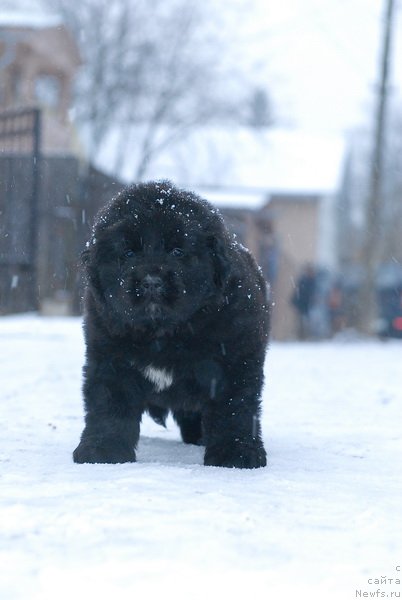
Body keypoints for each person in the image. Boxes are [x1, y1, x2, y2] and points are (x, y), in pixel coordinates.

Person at [291, 264, 317, 340]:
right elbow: (301, 292)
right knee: (301, 320)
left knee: (304, 320)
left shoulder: (311, 280)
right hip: (303, 304)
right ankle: (301, 335)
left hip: (306, 304)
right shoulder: (305, 280)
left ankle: (304, 335)